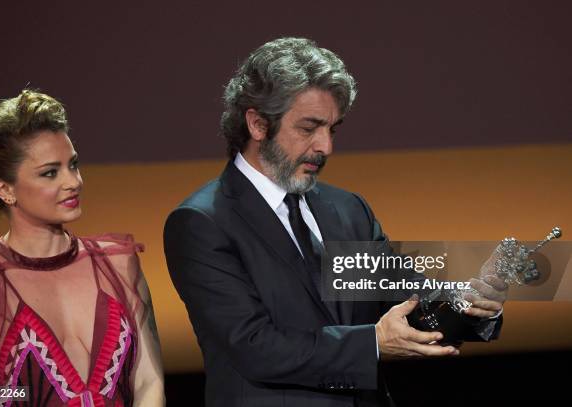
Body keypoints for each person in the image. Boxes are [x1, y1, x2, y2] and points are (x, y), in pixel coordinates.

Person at [164, 38, 506, 407]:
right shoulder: (202, 223)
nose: (326, 147)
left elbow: (405, 295)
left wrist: (470, 305)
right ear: (258, 124)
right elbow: (254, 346)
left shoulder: (347, 210)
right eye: (309, 128)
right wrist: (372, 342)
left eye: (333, 129)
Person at [0, 90, 165, 406]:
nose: (74, 182)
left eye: (74, 165)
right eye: (50, 173)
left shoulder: (120, 263)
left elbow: (149, 382)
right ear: (5, 189)